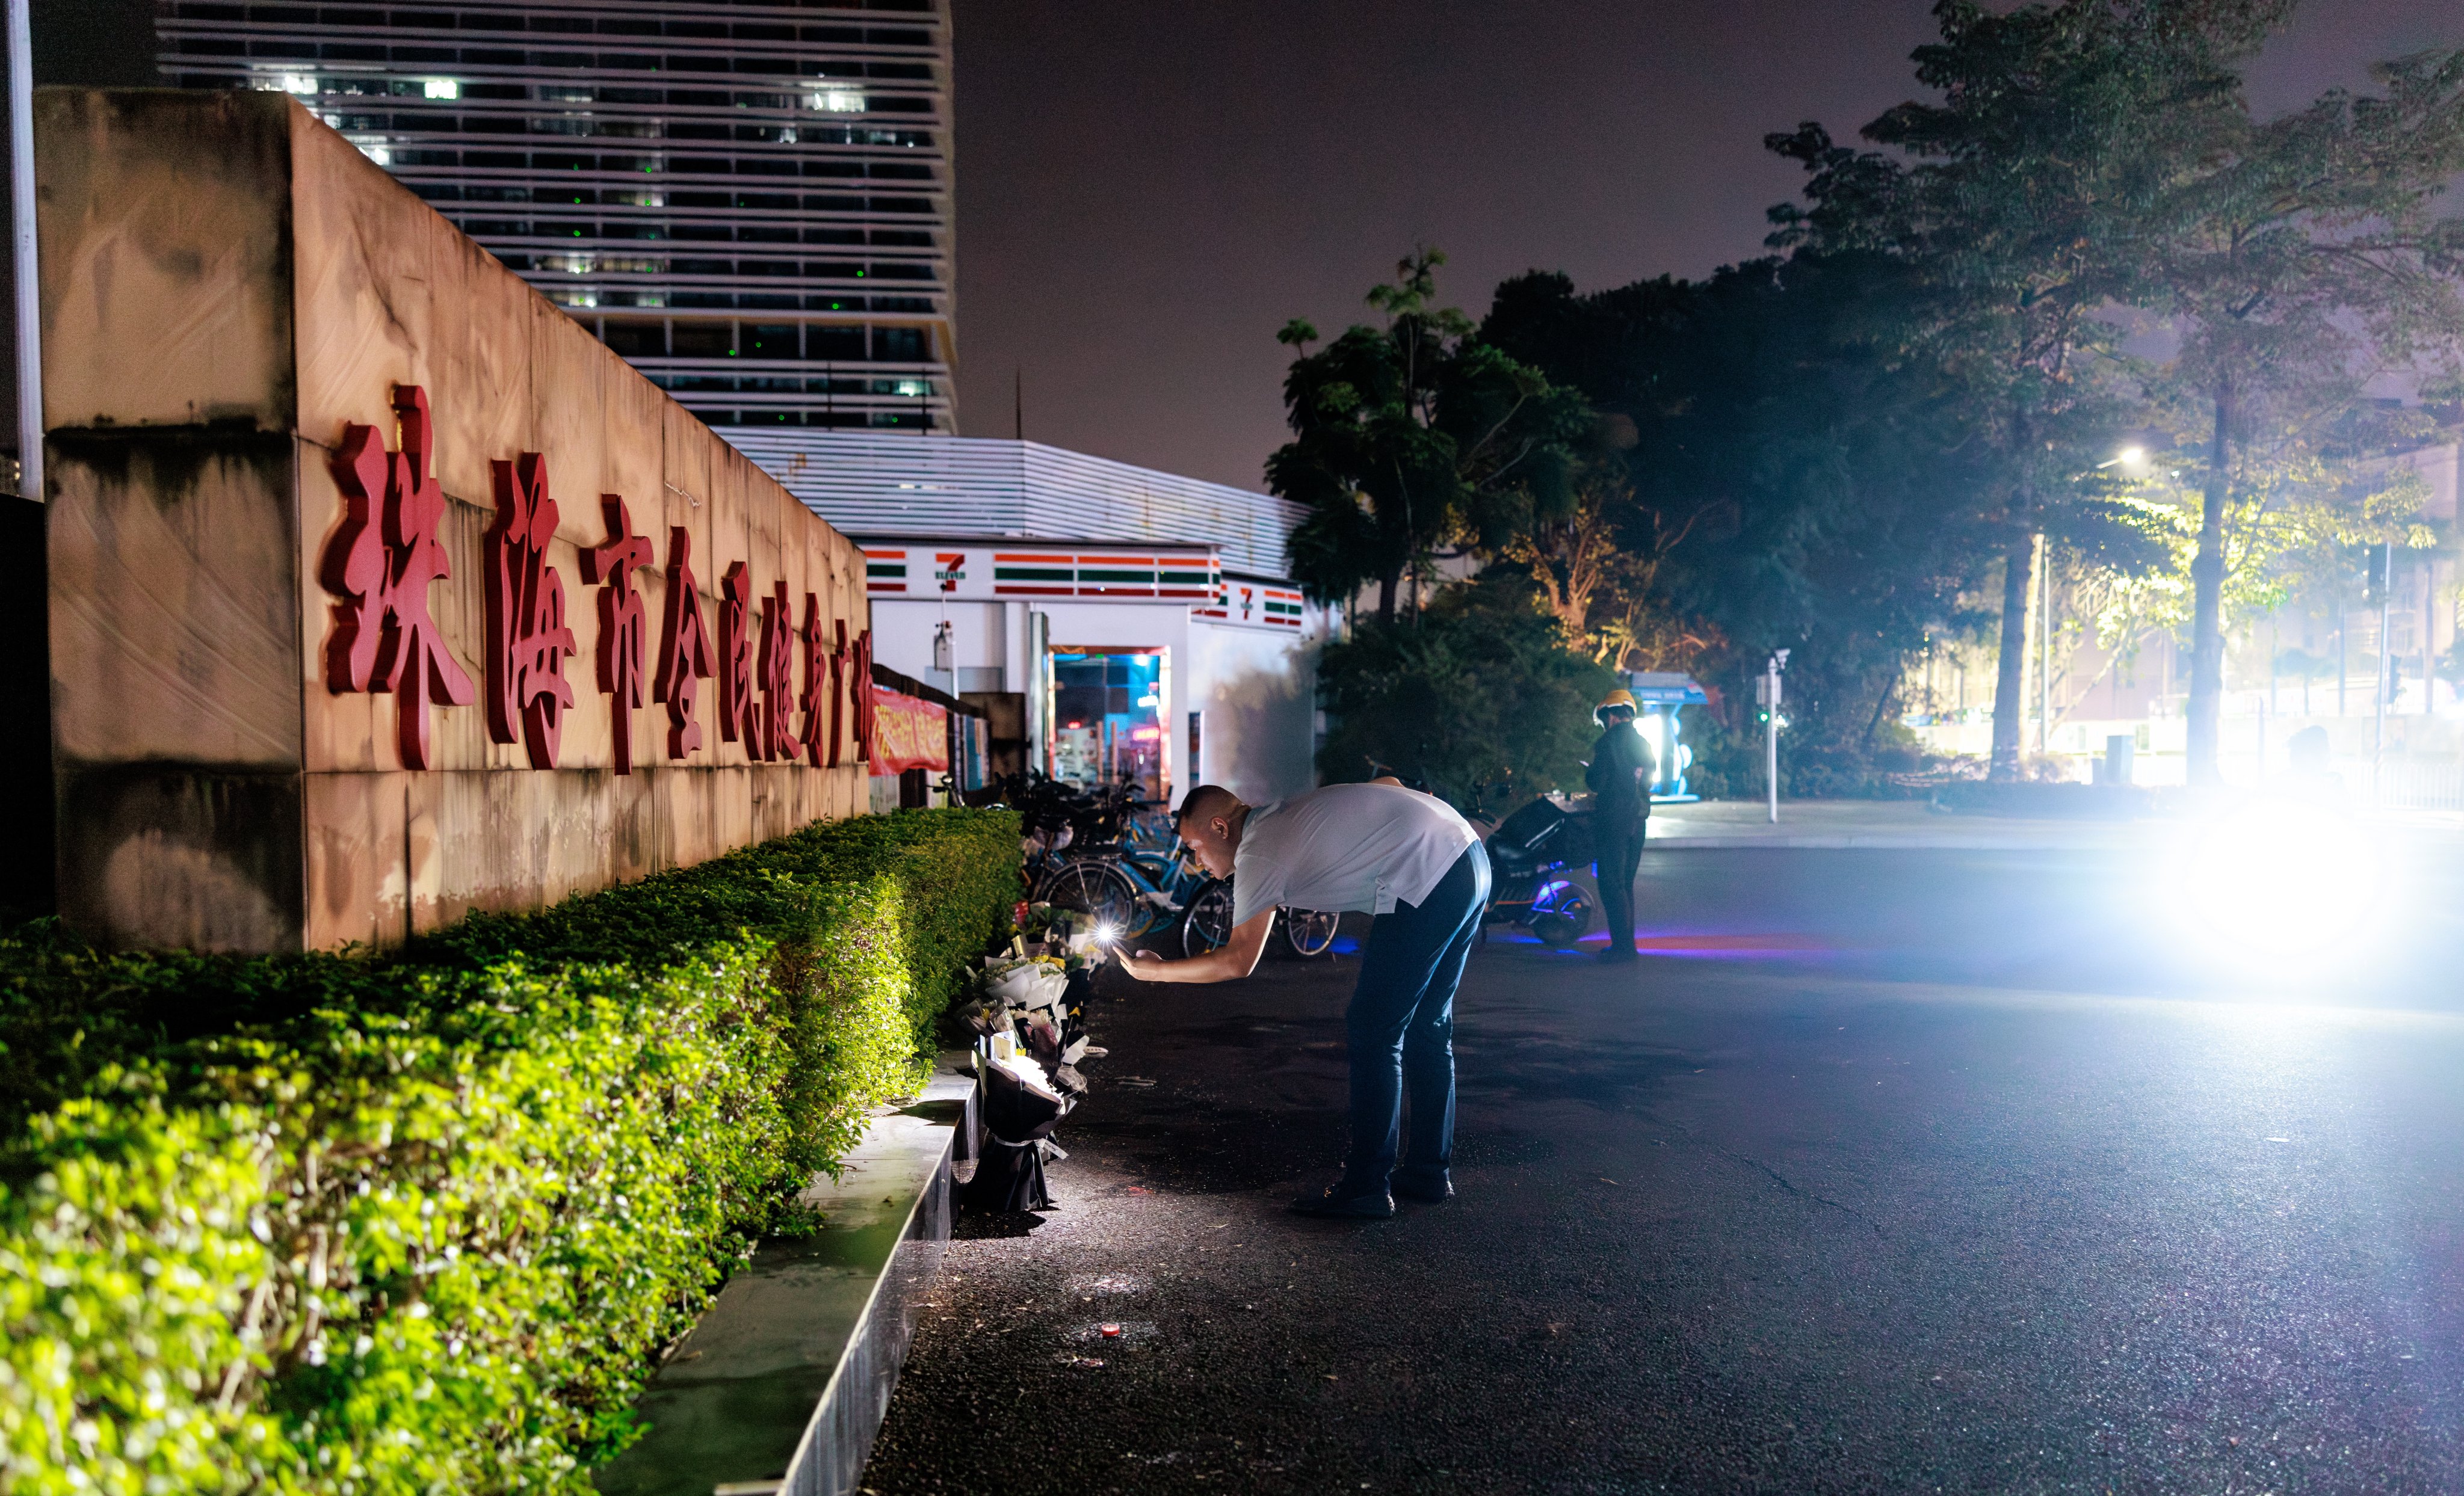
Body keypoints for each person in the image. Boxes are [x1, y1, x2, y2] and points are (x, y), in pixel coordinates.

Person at [1114, 779, 1490, 1219]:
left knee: (1373, 1029)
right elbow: (1389, 784)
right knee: (1428, 1025)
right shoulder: (1284, 811)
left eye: (1195, 847)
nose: (1196, 863)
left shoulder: (1257, 850)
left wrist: (1155, 970)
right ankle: (1427, 1171)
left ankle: (1367, 1186)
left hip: (1426, 875)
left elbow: (1237, 960)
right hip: (1468, 855)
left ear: (1219, 827)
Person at [1584, 688, 1657, 964]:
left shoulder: (1609, 742)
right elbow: (1648, 779)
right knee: (1625, 883)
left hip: (1615, 819)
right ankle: (1628, 944)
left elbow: (1597, 781)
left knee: (1611, 883)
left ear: (1611, 715)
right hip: (1638, 822)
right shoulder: (1643, 742)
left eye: (1605, 719)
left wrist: (1591, 773)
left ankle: (1622, 948)